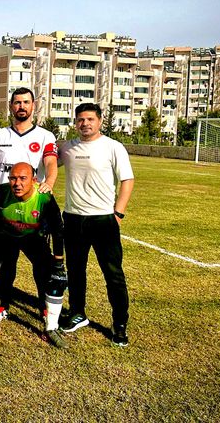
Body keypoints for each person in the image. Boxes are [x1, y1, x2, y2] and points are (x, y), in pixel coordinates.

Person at [0, 87, 59, 328]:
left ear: (33, 106)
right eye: (17, 102)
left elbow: (51, 162)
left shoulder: (44, 136)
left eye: (25, 102)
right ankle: (4, 304)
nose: (21, 106)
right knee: (3, 263)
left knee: (41, 265)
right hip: (5, 210)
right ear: (11, 106)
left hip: (33, 212)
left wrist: (49, 183)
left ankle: (44, 306)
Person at [0, 162, 68, 348]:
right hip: (2, 235)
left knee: (53, 279)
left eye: (23, 178)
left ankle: (52, 327)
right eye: (13, 178)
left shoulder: (44, 198)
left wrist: (59, 261)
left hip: (33, 238)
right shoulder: (1, 192)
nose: (17, 183)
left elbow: (58, 229)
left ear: (34, 180)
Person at [58, 103, 134, 347]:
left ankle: (119, 323)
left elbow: (127, 180)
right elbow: (47, 163)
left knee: (113, 274)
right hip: (72, 218)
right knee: (76, 271)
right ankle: (78, 313)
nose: (85, 124)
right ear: (75, 122)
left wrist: (118, 213)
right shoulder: (68, 148)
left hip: (102, 220)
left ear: (100, 121)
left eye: (90, 119)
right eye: (80, 119)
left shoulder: (113, 147)